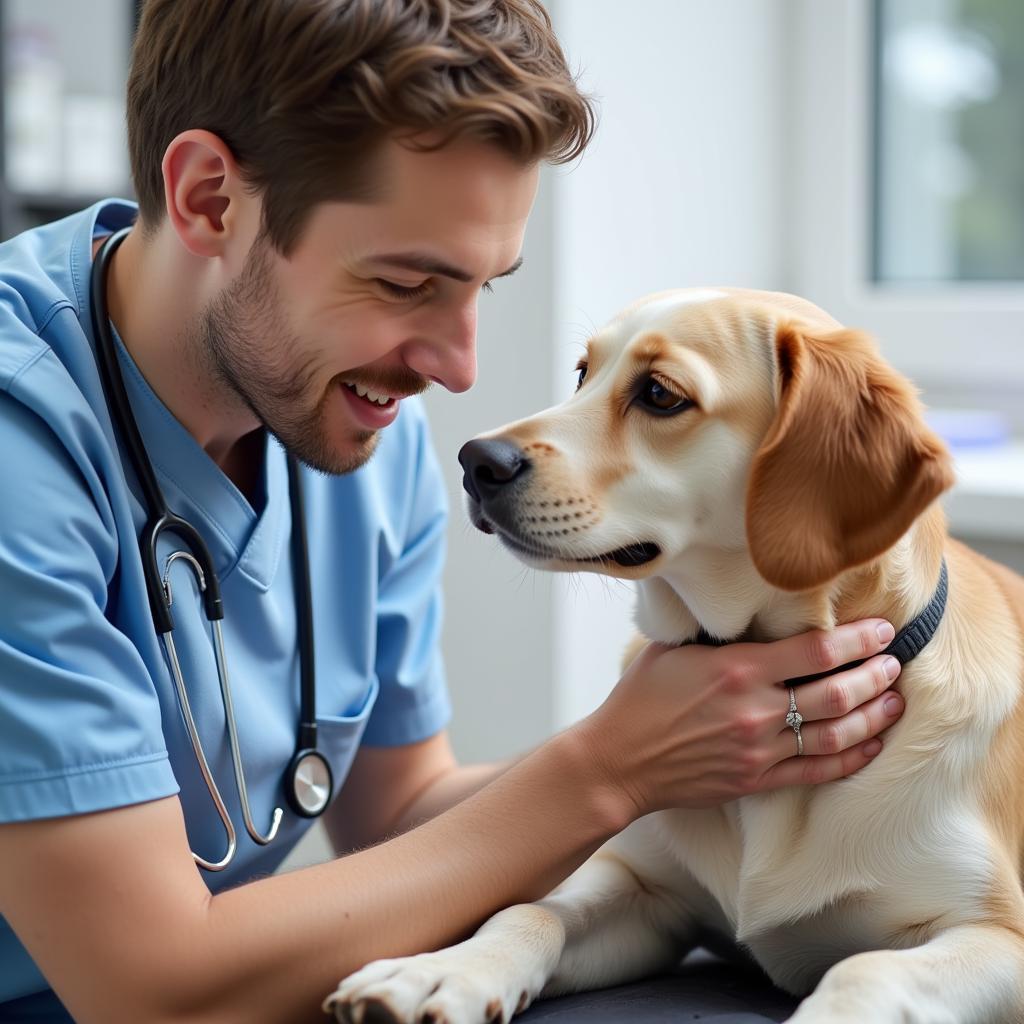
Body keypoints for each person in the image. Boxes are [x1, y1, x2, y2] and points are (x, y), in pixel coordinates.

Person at [0, 2, 907, 1021]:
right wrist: (606, 767)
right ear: (211, 198)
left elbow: (397, 813)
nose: (457, 365)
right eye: (404, 281)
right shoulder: (20, 449)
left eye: (482, 286)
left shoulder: (338, 410)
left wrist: (678, 749)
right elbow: (148, 986)